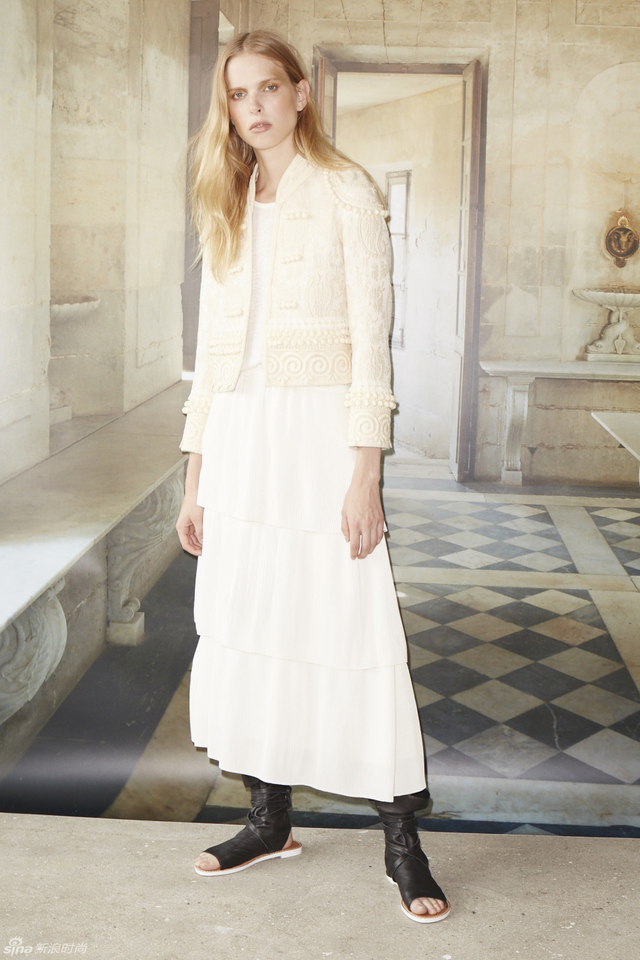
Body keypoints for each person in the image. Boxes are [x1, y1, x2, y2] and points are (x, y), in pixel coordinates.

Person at [175, 29, 449, 924]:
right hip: (241, 440)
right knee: (253, 619)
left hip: (320, 435)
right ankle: (269, 821)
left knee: (346, 621)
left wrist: (365, 474)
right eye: (237, 94)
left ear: (300, 94)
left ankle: (402, 843)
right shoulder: (225, 198)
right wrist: (195, 480)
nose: (253, 107)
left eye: (268, 88)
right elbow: (212, 359)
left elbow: (373, 341)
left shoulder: (346, 190)